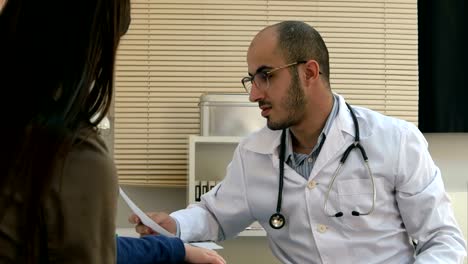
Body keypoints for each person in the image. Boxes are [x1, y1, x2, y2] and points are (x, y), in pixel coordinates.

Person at [130, 20, 467, 263]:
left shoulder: (396, 140)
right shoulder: (254, 153)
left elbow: (443, 242)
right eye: (252, 79)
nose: (254, 94)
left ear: (309, 73)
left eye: (266, 76)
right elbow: (216, 216)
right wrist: (175, 224)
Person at [0, 0, 225, 263]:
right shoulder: (73, 155)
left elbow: (87, 242)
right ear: (93, 46)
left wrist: (175, 248)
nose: (254, 94)